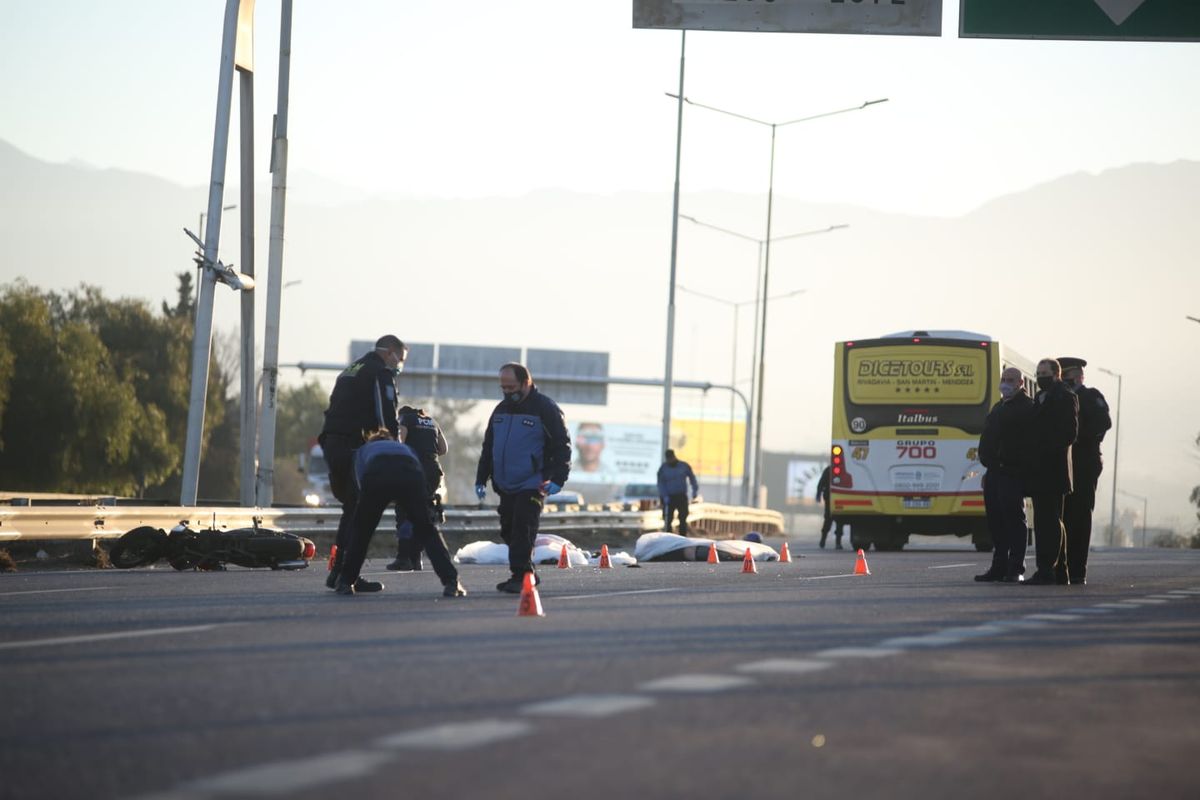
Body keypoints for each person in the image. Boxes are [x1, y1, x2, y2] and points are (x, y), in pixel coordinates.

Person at [319, 335, 407, 589]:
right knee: (360, 512)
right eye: (399, 359)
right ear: (389, 352)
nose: (399, 365)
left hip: (333, 442)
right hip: (354, 446)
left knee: (352, 508)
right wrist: (394, 450)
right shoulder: (380, 373)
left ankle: (340, 572)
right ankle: (347, 574)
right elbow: (386, 414)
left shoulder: (352, 369)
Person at [475, 363, 572, 593]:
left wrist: (559, 477)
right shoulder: (500, 410)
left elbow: (562, 445)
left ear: (526, 382)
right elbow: (489, 446)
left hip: (532, 482)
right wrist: (481, 477)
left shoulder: (545, 408)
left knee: (522, 529)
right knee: (508, 530)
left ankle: (520, 576)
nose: (507, 391)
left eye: (511, 386)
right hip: (505, 483)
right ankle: (527, 573)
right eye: (503, 387)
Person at [336, 429, 466, 597]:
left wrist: (368, 507)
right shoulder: (404, 448)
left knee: (361, 533)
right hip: (409, 474)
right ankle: (451, 582)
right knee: (428, 531)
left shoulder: (364, 450)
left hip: (377, 473)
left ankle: (346, 582)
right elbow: (419, 477)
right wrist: (416, 513)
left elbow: (361, 480)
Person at [975, 366, 1035, 582]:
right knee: (996, 522)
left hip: (1012, 472)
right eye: (1003, 379)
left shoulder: (1027, 407)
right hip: (994, 472)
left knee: (1014, 520)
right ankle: (998, 567)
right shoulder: (1000, 406)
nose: (1005, 384)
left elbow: (1026, 444)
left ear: (1020, 383)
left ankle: (1016, 568)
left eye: (1010, 380)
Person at [1024, 358, 1079, 585]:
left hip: (1054, 469)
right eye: (1038, 372)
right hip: (1039, 470)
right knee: (1046, 521)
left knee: (1051, 522)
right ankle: (1058, 570)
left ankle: (1047, 569)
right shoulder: (1040, 396)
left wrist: (1045, 448)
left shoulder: (1065, 396)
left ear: (1056, 374)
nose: (1039, 376)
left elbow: (1070, 433)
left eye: (1044, 372)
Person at [1057, 356, 1112, 585]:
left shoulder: (1091, 397)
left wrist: (1077, 436)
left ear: (1078, 375)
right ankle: (1059, 569)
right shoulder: (1057, 398)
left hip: (1083, 462)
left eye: (1068, 375)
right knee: (1059, 518)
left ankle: (1078, 569)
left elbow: (1103, 423)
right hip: (1060, 463)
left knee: (1079, 517)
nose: (1065, 380)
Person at [387, 405, 448, 572]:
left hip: (414, 469)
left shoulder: (405, 420)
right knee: (421, 513)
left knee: (404, 512)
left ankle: (403, 558)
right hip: (434, 471)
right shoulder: (432, 421)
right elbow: (443, 449)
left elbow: (400, 442)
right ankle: (416, 558)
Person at [657, 449, 699, 534]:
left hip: (681, 496)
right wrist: (664, 495)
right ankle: (668, 538)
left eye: (671, 458)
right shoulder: (663, 468)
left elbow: (692, 478)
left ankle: (682, 537)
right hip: (669, 497)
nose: (670, 460)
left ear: (674, 456)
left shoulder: (683, 466)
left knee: (683, 518)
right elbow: (661, 483)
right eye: (668, 459)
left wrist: (694, 490)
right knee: (668, 519)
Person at [815, 465, 843, 550]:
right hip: (834, 498)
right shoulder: (832, 469)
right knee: (835, 520)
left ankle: (826, 541)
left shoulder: (830, 469)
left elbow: (821, 483)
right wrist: (818, 494)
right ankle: (829, 541)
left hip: (834, 498)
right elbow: (821, 482)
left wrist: (819, 494)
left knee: (832, 519)